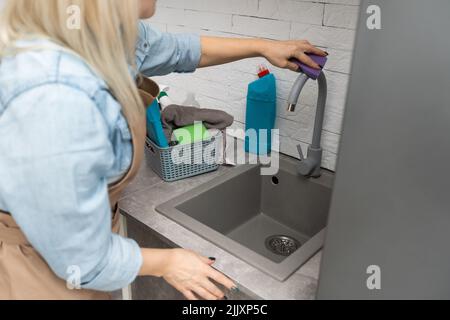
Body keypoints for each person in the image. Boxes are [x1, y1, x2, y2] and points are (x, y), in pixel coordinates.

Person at [0, 0, 327, 300]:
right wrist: (169, 262)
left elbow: (183, 51)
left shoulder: (115, 35)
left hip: (88, 241)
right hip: (36, 267)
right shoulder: (54, 97)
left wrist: (262, 47)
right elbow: (79, 258)